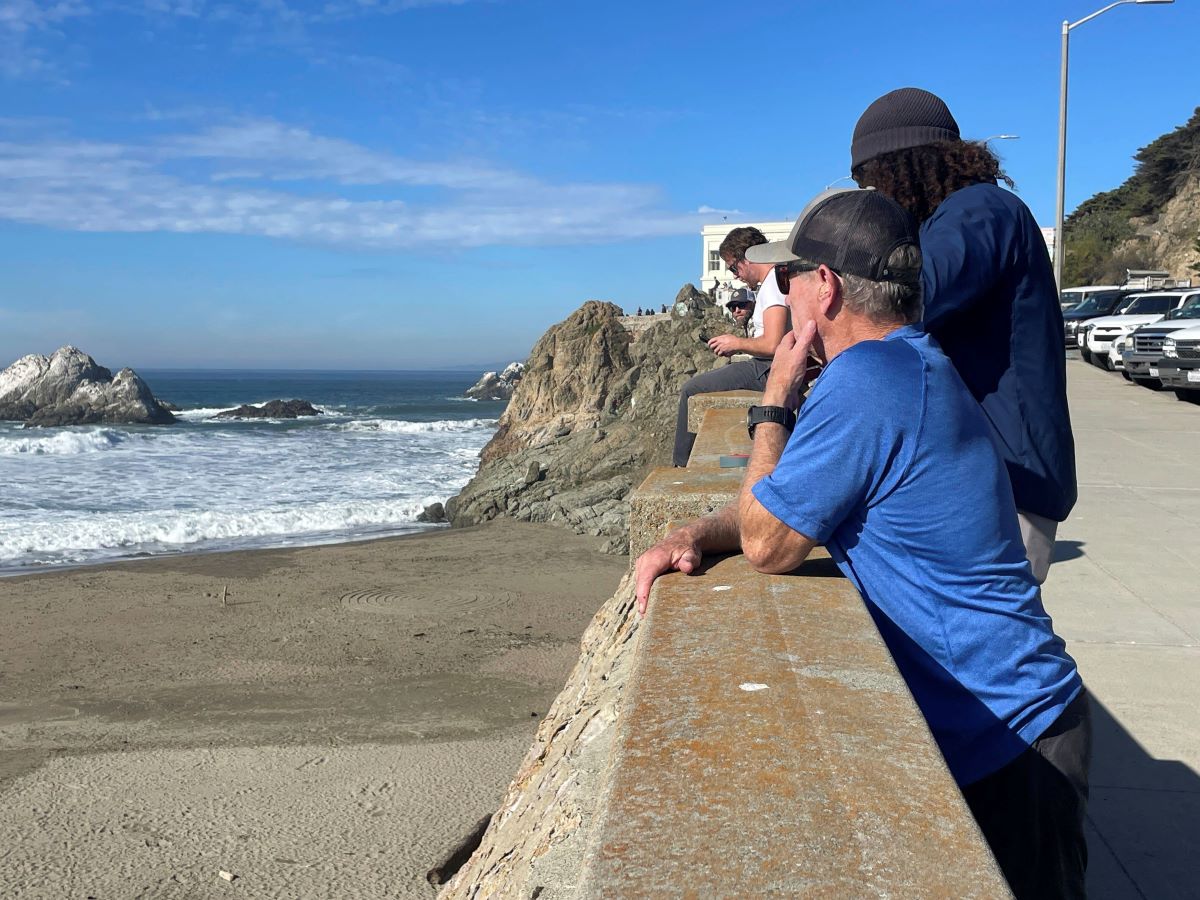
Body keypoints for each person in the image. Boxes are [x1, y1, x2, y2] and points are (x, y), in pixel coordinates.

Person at [637, 188, 1091, 900]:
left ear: (828, 285)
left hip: (1012, 739)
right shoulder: (913, 362)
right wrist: (695, 531)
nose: (785, 291)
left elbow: (768, 544)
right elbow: (788, 506)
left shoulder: (868, 381)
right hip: (1024, 721)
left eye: (792, 276)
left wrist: (775, 402)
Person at [850, 87, 1076, 584]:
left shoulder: (979, 210)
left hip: (1012, 479)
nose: (874, 198)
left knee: (986, 648)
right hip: (995, 473)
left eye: (872, 180)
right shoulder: (962, 216)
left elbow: (913, 296)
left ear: (901, 166)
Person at [671, 226, 790, 466]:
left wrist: (736, 344)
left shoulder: (773, 285)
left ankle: (682, 467)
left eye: (734, 267)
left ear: (748, 257)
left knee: (691, 389)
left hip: (768, 368)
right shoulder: (775, 281)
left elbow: (775, 344)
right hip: (767, 365)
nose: (735, 275)